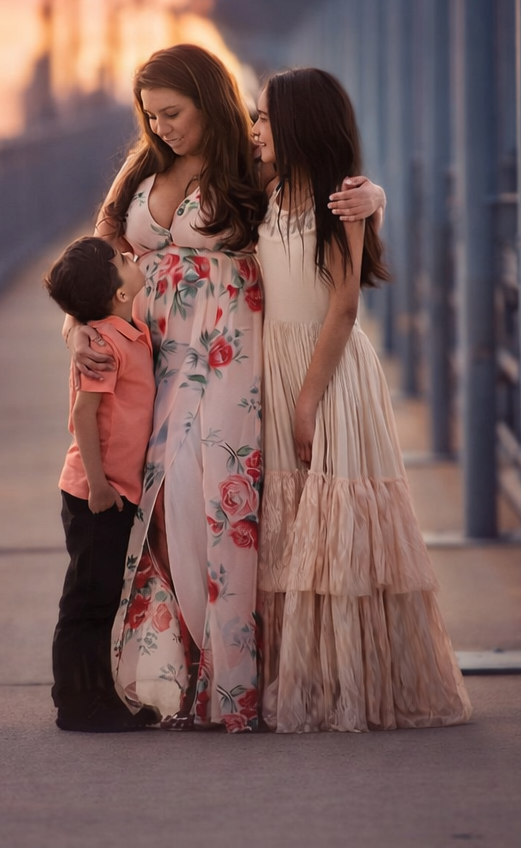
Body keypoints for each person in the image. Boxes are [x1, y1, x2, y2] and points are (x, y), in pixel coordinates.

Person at [64, 44, 385, 731]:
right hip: (151, 362)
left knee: (214, 504)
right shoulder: (145, 167)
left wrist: (374, 197)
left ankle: (227, 682)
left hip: (227, 350)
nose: (162, 128)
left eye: (173, 114)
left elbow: (318, 187)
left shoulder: (251, 159)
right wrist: (76, 327)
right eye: (151, 117)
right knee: (157, 505)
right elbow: (98, 253)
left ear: (209, 101)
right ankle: (174, 671)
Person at [250, 67, 472, 733]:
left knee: (332, 518)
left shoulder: (340, 201)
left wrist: (308, 400)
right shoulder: (260, 193)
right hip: (275, 366)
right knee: (290, 529)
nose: (254, 131)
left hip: (328, 369)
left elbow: (344, 306)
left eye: (264, 119)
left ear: (298, 126)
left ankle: (353, 685)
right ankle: (304, 677)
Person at [44, 236, 158, 732]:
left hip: (111, 489)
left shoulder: (126, 331)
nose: (133, 260)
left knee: (101, 596)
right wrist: (98, 485)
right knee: (88, 600)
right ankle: (78, 701)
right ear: (118, 294)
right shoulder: (107, 345)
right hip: (98, 492)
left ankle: (90, 693)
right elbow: (83, 414)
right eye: (125, 261)